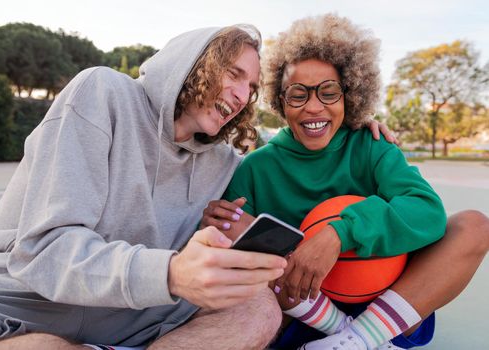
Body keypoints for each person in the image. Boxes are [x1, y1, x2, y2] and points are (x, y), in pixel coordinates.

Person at [0, 24, 290, 350]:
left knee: (257, 309)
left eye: (250, 87)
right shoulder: (102, 92)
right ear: (196, 63)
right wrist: (172, 273)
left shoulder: (223, 163)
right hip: (18, 295)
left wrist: (223, 237)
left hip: (136, 313)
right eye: (233, 74)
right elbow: (45, 251)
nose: (242, 95)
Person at [201, 14, 489, 350]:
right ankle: (347, 335)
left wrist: (340, 232)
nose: (313, 107)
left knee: (475, 226)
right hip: (303, 309)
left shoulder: (372, 146)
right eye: (297, 94)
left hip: (387, 302)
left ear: (348, 96)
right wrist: (224, 227)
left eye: (328, 92)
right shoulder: (256, 168)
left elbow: (426, 213)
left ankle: (358, 339)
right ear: (280, 101)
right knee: (232, 226)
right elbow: (235, 266)